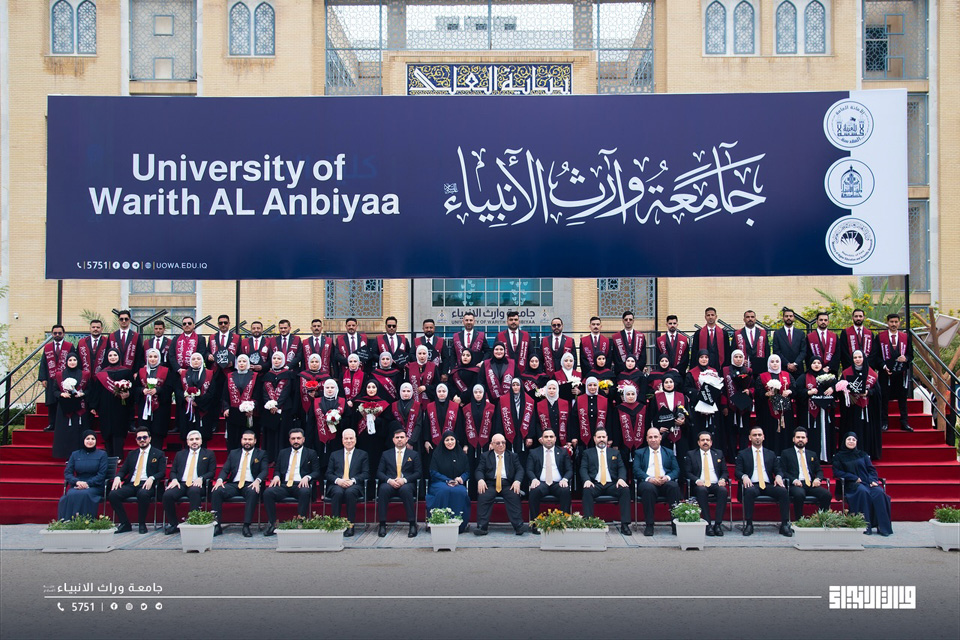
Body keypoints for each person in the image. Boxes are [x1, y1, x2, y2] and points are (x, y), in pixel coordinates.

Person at [263, 428, 322, 536]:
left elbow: (316, 472)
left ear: (303, 439)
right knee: (268, 493)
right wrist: (276, 476)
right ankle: (272, 523)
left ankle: (300, 523)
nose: (296, 441)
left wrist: (307, 477)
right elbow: (277, 469)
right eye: (293, 438)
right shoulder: (283, 453)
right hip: (284, 485)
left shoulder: (311, 453)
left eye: (298, 438)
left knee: (305, 492)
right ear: (289, 440)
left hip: (300, 484)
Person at [735, 427, 792, 537]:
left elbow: (778, 469)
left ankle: (784, 524)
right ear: (750, 438)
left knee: (783, 491)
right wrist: (744, 476)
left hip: (768, 484)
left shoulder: (770, 454)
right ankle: (749, 524)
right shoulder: (743, 454)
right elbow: (738, 471)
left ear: (763, 437)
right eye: (754, 435)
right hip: (752, 484)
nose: (757, 437)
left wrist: (779, 476)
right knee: (749, 492)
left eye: (759, 435)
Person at [107, 428, 167, 534]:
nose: (142, 440)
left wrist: (152, 478)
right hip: (132, 484)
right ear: (136, 440)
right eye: (139, 438)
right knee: (113, 494)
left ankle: (142, 523)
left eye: (144, 437)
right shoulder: (132, 454)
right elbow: (123, 470)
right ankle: (125, 523)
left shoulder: (158, 454)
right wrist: (118, 477)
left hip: (147, 484)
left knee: (143, 494)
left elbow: (162, 472)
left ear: (150, 439)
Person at [832, 433, 893, 536]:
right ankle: (864, 525)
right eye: (849, 439)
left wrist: (872, 480)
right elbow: (837, 472)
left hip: (867, 482)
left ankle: (882, 526)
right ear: (844, 441)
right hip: (851, 485)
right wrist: (854, 478)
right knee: (862, 492)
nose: (851, 441)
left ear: (856, 442)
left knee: (879, 492)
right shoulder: (838, 457)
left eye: (854, 440)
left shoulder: (863, 454)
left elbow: (871, 470)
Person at [211, 430, 269, 537]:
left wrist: (257, 481)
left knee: (253, 492)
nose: (247, 442)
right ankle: (216, 525)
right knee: (216, 491)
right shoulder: (234, 453)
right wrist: (219, 480)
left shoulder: (261, 454)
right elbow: (225, 469)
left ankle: (246, 526)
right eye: (245, 439)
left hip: (250, 483)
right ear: (241, 440)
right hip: (234, 484)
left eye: (250, 439)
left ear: (255, 441)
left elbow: (264, 470)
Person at [161, 430, 216, 534]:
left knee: (194, 491)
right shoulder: (180, 454)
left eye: (197, 439)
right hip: (181, 483)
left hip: (198, 483)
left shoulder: (209, 454)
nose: (194, 441)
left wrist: (201, 478)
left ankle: (193, 523)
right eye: (191, 439)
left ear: (201, 441)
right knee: (167, 495)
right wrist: (174, 479)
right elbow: (173, 471)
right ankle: (173, 524)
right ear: (187, 442)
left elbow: (211, 472)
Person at [580, 428, 632, 534]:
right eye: (599, 437)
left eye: (603, 437)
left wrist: (621, 479)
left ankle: (625, 525)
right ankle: (589, 523)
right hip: (595, 484)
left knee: (625, 490)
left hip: (612, 484)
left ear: (607, 438)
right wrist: (587, 480)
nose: (601, 439)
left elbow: (621, 468)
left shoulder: (615, 452)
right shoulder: (587, 453)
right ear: (594, 439)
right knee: (587, 490)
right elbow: (583, 468)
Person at [474, 434, 527, 536]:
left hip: (507, 484)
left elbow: (520, 470)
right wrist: (480, 480)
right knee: (483, 495)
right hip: (491, 484)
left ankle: (518, 525)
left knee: (514, 495)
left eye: (503, 442)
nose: (501, 445)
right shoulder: (485, 456)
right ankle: (481, 527)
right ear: (492, 444)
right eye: (498, 443)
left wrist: (517, 481)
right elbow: (479, 470)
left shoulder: (512, 456)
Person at [633, 427, 682, 536]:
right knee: (648, 489)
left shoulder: (669, 452)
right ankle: (649, 525)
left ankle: (675, 525)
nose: (653, 439)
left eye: (655, 437)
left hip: (665, 481)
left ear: (660, 438)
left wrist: (667, 477)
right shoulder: (639, 453)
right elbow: (636, 470)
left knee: (674, 486)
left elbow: (676, 470)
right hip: (648, 482)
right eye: (650, 437)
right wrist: (649, 479)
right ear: (646, 439)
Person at [376, 429, 421, 538]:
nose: (399, 439)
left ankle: (412, 524)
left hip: (406, 483)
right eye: (397, 437)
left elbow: (418, 473)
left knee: (406, 490)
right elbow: (379, 472)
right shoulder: (386, 454)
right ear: (393, 440)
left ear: (406, 439)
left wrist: (404, 480)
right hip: (390, 482)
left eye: (402, 437)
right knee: (383, 489)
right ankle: (382, 524)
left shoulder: (414, 454)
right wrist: (389, 480)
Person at [780, 427, 832, 521]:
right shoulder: (786, 453)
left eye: (803, 437)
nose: (800, 439)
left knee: (826, 494)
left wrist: (818, 479)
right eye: (798, 437)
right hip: (795, 484)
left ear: (806, 440)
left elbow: (819, 470)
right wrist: (794, 480)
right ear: (793, 439)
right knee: (799, 494)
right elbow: (783, 471)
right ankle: (799, 520)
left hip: (811, 484)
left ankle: (821, 519)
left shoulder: (812, 454)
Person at [90, 348, 134, 457]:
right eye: (110, 355)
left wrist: (128, 394)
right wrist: (94, 406)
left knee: (119, 430)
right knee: (107, 430)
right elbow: (97, 391)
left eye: (115, 355)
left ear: (119, 356)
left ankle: (118, 456)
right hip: (105, 406)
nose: (113, 357)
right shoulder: (102, 373)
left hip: (120, 406)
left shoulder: (126, 371)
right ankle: (109, 456)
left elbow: (133, 388)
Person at [325, 428, 368, 536]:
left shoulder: (362, 454)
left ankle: (350, 525)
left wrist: (352, 481)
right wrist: (338, 481)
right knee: (337, 492)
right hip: (337, 484)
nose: (349, 441)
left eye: (351, 438)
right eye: (346, 438)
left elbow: (366, 473)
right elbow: (328, 473)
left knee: (350, 492)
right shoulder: (334, 455)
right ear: (342, 440)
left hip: (354, 485)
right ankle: (335, 524)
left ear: (355, 440)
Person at [840, 350, 882, 460]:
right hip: (853, 408)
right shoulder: (846, 373)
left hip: (868, 407)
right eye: (855, 358)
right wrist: (846, 392)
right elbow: (840, 390)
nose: (857, 359)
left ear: (864, 358)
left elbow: (877, 392)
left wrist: (868, 392)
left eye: (859, 357)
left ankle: (867, 453)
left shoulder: (872, 374)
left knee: (866, 431)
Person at [526, 428, 573, 526]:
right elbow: (529, 470)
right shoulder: (534, 452)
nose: (548, 439)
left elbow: (569, 470)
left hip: (558, 483)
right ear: (541, 439)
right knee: (534, 491)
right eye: (546, 437)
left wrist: (565, 479)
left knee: (565, 491)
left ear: (555, 439)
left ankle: (564, 523)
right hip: (541, 483)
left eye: (551, 437)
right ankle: (535, 524)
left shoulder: (563, 452)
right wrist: (534, 479)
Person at [427, 430, 471, 533]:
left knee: (461, 492)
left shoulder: (462, 455)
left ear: (456, 441)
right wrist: (447, 480)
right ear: (443, 441)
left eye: (452, 439)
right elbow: (433, 472)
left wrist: (461, 478)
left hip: (456, 483)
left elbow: (467, 472)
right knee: (444, 491)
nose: (450, 442)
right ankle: (439, 523)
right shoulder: (437, 454)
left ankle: (460, 525)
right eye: (447, 440)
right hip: (439, 483)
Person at [57, 430, 108, 520]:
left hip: (95, 485)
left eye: (93, 439)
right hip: (78, 484)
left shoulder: (102, 454)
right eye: (87, 438)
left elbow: (102, 474)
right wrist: (77, 482)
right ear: (83, 440)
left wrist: (87, 483)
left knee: (85, 493)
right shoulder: (75, 454)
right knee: (70, 494)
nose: (90, 441)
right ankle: (68, 521)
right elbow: (68, 473)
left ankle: (85, 522)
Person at [794, 356, 836, 461]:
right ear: (810, 364)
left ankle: (825, 457)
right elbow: (796, 391)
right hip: (809, 413)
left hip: (824, 412)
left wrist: (832, 388)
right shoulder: (803, 377)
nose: (816, 365)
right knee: (812, 434)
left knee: (825, 433)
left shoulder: (828, 377)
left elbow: (837, 388)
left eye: (819, 363)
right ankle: (810, 458)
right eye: (814, 363)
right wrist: (808, 392)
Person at [686, 431, 728, 536]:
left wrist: (723, 479)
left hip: (715, 484)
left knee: (723, 491)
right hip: (700, 484)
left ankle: (717, 524)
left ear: (711, 442)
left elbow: (725, 471)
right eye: (703, 440)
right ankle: (707, 524)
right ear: (698, 442)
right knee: (702, 490)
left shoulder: (718, 453)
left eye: (707, 440)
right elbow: (687, 473)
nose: (705, 442)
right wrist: (697, 480)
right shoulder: (691, 454)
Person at [878, 313, 913, 432]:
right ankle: (884, 422)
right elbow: (876, 356)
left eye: (896, 322)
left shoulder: (905, 337)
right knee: (884, 398)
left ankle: (904, 422)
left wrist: (906, 358)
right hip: (885, 373)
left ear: (899, 323)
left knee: (902, 399)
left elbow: (910, 355)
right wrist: (883, 366)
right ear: (887, 322)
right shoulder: (880, 337)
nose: (893, 324)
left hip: (901, 373)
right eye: (891, 322)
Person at [52, 353, 91, 459]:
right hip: (64, 407)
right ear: (66, 362)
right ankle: (65, 455)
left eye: (74, 360)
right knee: (65, 431)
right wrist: (61, 394)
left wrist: (83, 393)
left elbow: (89, 389)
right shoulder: (60, 375)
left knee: (78, 430)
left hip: (79, 407)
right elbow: (54, 390)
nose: (72, 362)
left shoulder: (84, 374)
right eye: (70, 360)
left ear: (78, 361)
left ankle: (81, 454)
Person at [755, 354, 795, 453]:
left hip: (784, 411)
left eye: (777, 361)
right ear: (768, 363)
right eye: (772, 362)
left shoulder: (787, 375)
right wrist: (766, 394)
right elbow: (758, 392)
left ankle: (784, 453)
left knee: (784, 432)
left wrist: (789, 391)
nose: (775, 364)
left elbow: (795, 389)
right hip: (768, 411)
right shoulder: (762, 376)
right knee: (770, 431)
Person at [260, 351, 294, 463]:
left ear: (283, 360)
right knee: (270, 435)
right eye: (274, 358)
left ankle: (281, 460)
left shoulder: (288, 374)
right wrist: (270, 405)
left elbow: (287, 391)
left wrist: (278, 405)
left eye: (279, 359)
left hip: (284, 409)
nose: (276, 361)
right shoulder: (267, 375)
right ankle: (270, 458)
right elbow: (264, 392)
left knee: (282, 434)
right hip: (269, 410)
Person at [134, 348, 172, 450]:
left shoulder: (166, 371)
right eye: (150, 357)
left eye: (155, 357)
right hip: (144, 406)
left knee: (157, 432)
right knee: (145, 430)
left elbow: (169, 388)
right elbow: (135, 388)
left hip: (160, 407)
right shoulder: (141, 371)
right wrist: (142, 390)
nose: (152, 359)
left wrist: (157, 390)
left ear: (159, 358)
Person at [651, 374, 689, 475]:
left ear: (674, 383)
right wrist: (658, 429)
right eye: (666, 382)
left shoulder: (682, 396)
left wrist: (684, 422)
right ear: (662, 384)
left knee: (681, 460)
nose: (669, 384)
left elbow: (689, 415)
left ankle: (681, 482)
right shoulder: (656, 398)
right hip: (664, 435)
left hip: (680, 433)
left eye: (671, 382)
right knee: (665, 460)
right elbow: (652, 416)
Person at [177, 352, 216, 446]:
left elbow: (212, 392)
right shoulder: (184, 374)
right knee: (188, 435)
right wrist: (185, 397)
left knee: (202, 436)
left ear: (202, 361)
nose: (196, 361)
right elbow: (178, 389)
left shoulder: (209, 373)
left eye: (198, 359)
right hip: (187, 408)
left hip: (203, 408)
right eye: (193, 359)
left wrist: (197, 402)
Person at [222, 354, 258, 452]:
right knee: (233, 439)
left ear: (248, 363)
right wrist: (226, 408)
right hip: (233, 412)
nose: (241, 363)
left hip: (248, 413)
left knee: (247, 437)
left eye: (244, 361)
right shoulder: (230, 376)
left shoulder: (254, 376)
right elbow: (225, 395)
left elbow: (257, 394)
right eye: (239, 361)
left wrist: (252, 407)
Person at [39, 324, 72, 431]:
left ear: (63, 334)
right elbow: (43, 363)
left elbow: (74, 361)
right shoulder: (47, 347)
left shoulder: (69, 346)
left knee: (64, 402)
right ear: (52, 334)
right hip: (51, 379)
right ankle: (52, 424)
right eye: (55, 333)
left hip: (65, 379)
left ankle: (65, 424)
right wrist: (43, 378)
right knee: (51, 402)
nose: (57, 335)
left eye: (60, 333)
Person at [722, 349, 754, 458]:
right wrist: (724, 405)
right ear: (732, 358)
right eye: (736, 357)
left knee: (744, 431)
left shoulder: (748, 370)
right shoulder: (725, 370)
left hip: (744, 405)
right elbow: (722, 389)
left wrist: (749, 391)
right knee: (731, 431)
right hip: (730, 406)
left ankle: (743, 456)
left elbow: (753, 386)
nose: (738, 359)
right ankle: (732, 456)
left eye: (740, 357)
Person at [685, 350, 723, 440]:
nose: (704, 359)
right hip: (698, 405)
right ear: (698, 359)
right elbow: (686, 388)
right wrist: (699, 393)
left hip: (711, 405)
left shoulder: (713, 372)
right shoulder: (691, 373)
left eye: (706, 357)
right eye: (701, 357)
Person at [354, 381, 390, 474]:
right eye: (368, 387)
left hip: (377, 438)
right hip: (362, 437)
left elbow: (387, 422)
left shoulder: (384, 403)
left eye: (373, 387)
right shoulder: (358, 403)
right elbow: (354, 420)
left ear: (377, 389)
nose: (371, 390)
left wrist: (376, 419)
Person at [314, 378, 347, 467]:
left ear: (336, 389)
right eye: (327, 387)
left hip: (337, 436)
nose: (330, 389)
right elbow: (311, 421)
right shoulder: (316, 401)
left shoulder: (342, 401)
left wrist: (338, 420)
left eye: (332, 387)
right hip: (320, 436)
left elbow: (348, 419)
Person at [207, 313, 240, 399]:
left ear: (229, 324)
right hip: (215, 371)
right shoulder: (212, 337)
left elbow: (240, 354)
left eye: (225, 322)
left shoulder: (236, 338)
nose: (223, 325)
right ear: (218, 324)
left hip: (230, 372)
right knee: (215, 398)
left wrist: (233, 363)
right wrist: (208, 356)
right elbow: (207, 351)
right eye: (221, 323)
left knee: (229, 397)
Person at [299, 354, 330, 443]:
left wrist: (317, 393)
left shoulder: (325, 376)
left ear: (320, 363)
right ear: (308, 363)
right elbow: (298, 392)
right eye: (312, 362)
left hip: (320, 407)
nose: (314, 364)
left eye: (316, 362)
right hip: (305, 406)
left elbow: (328, 391)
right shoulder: (302, 375)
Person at [537, 379, 575, 452]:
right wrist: (540, 436)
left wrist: (569, 439)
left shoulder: (565, 403)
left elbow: (569, 422)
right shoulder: (540, 404)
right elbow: (537, 422)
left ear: (557, 390)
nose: (551, 391)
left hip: (561, 437)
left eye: (554, 388)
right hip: (546, 437)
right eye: (549, 388)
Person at [463, 384, 496, 467]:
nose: (478, 394)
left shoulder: (491, 408)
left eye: (480, 392)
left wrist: (492, 442)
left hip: (486, 442)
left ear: (484, 393)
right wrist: (465, 444)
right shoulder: (466, 408)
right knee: (472, 465)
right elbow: (464, 426)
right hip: (471, 442)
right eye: (476, 392)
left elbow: (494, 426)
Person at [426, 383, 461, 454]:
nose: (441, 393)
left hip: (451, 443)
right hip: (434, 443)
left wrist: (457, 439)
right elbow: (426, 425)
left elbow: (459, 425)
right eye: (439, 391)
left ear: (447, 392)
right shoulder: (430, 407)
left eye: (444, 391)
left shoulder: (455, 406)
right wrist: (426, 440)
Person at [613, 384, 645, 462]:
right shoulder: (618, 409)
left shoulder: (643, 408)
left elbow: (646, 424)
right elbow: (615, 427)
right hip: (623, 443)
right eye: (628, 394)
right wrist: (616, 444)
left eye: (633, 394)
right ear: (624, 396)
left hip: (640, 442)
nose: (631, 396)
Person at [772, 307, 807, 379]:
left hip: (798, 369)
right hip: (783, 368)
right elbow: (776, 351)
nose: (788, 318)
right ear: (783, 318)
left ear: (794, 318)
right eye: (786, 316)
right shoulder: (777, 333)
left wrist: (795, 364)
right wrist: (787, 364)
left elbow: (803, 351)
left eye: (791, 316)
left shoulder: (800, 333)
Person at [575, 377, 608, 447]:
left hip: (600, 437)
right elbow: (574, 419)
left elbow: (609, 420)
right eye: (590, 385)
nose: (592, 387)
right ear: (586, 386)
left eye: (595, 385)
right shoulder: (580, 399)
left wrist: (610, 438)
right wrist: (574, 437)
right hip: (582, 436)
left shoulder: (604, 400)